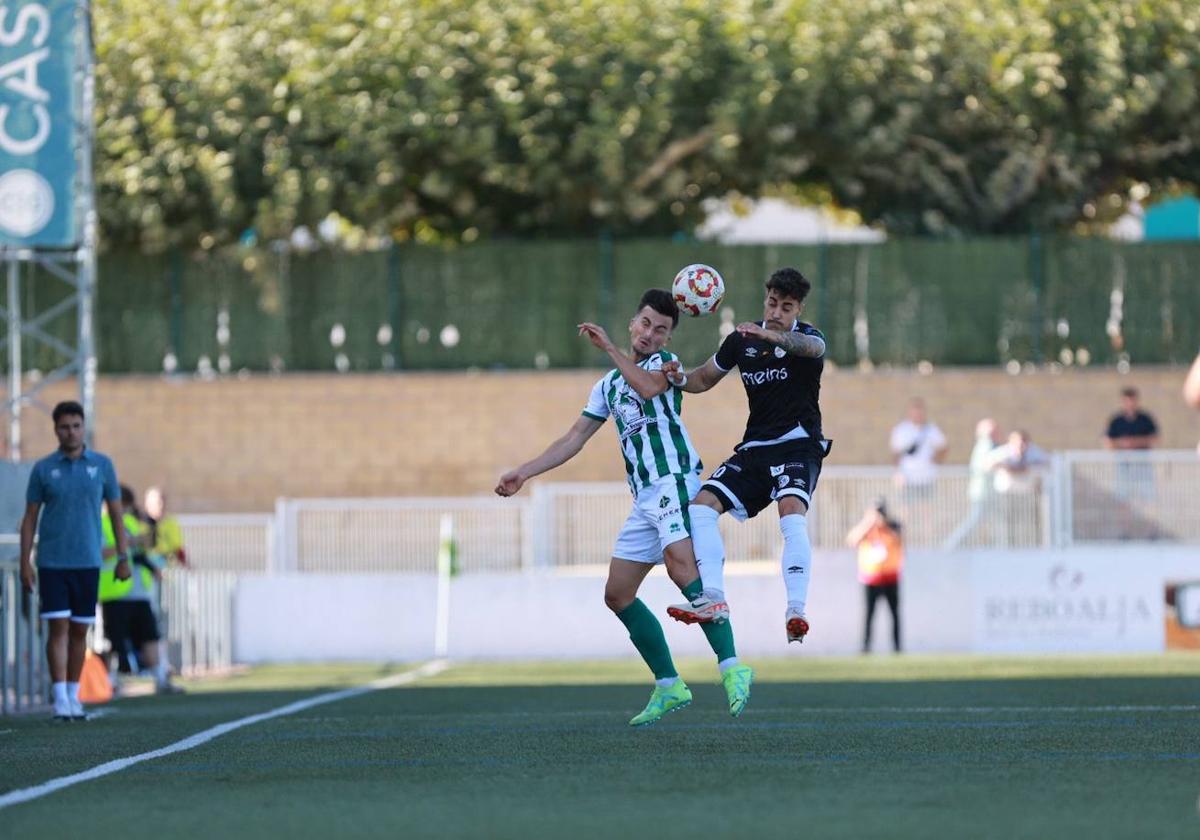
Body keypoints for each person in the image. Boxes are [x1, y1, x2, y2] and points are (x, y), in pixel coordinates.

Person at [495, 289, 753, 726]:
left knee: (681, 568)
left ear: (668, 337)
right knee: (617, 593)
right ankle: (669, 685)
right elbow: (573, 438)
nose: (651, 334)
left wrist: (611, 349)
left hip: (673, 480)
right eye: (646, 324)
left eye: (661, 329)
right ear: (634, 322)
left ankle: (732, 666)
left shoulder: (664, 366)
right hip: (644, 499)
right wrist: (525, 472)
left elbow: (651, 388)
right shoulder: (607, 386)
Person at [661, 268, 830, 643]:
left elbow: (815, 350)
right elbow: (704, 377)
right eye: (772, 303)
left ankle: (796, 610)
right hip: (755, 448)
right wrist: (678, 379)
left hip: (798, 443)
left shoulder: (807, 338)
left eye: (786, 307)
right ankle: (713, 599)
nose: (776, 311)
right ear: (765, 298)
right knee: (702, 505)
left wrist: (773, 335)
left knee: (791, 511)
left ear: (798, 308)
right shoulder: (743, 340)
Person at [18, 401, 130, 720]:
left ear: (84, 427)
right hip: (53, 562)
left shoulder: (102, 465)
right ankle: (58, 698)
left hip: (88, 561)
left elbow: (117, 514)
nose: (71, 432)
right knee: (58, 627)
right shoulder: (43, 469)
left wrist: (123, 557)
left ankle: (73, 692)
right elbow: (29, 518)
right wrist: (26, 561)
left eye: (76, 425)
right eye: (65, 426)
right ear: (56, 430)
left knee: (80, 631)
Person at [99, 485, 182, 695]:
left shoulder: (130, 523)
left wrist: (152, 564)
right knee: (113, 640)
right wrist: (125, 544)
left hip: (139, 592)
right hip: (113, 592)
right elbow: (100, 553)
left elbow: (142, 551)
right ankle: (111, 682)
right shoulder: (100, 524)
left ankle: (160, 679)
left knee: (149, 635)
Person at [846, 499, 902, 654]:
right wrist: (868, 522)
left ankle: (897, 648)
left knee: (894, 614)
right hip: (871, 578)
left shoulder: (893, 525)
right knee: (869, 615)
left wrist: (884, 524)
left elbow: (897, 539)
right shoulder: (866, 528)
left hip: (891, 577)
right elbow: (852, 541)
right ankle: (866, 647)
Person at [942, 418, 1001, 550]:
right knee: (975, 520)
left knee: (994, 521)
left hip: (987, 491)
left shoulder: (988, 446)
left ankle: (999, 546)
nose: (996, 433)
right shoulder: (986, 445)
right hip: (983, 491)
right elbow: (986, 465)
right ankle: (952, 545)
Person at [1103, 387, 1159, 504]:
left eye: (1132, 400)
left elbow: (1155, 438)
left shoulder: (1145, 419)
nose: (1130, 404)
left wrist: (1135, 442)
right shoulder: (1116, 420)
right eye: (1127, 401)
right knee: (1122, 498)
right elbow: (1108, 441)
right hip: (1124, 465)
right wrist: (1122, 443)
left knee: (1146, 497)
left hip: (1142, 465)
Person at [889, 398, 947, 496]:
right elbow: (895, 453)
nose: (917, 415)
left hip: (926, 477)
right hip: (907, 477)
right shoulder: (902, 430)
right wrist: (897, 472)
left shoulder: (931, 429)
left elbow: (943, 447)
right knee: (907, 507)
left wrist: (936, 459)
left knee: (926, 507)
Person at [144, 486, 188, 567]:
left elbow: (177, 546)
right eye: (157, 502)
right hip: (145, 568)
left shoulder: (171, 522)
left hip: (166, 566)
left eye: (162, 501)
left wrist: (184, 562)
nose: (161, 505)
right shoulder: (140, 523)